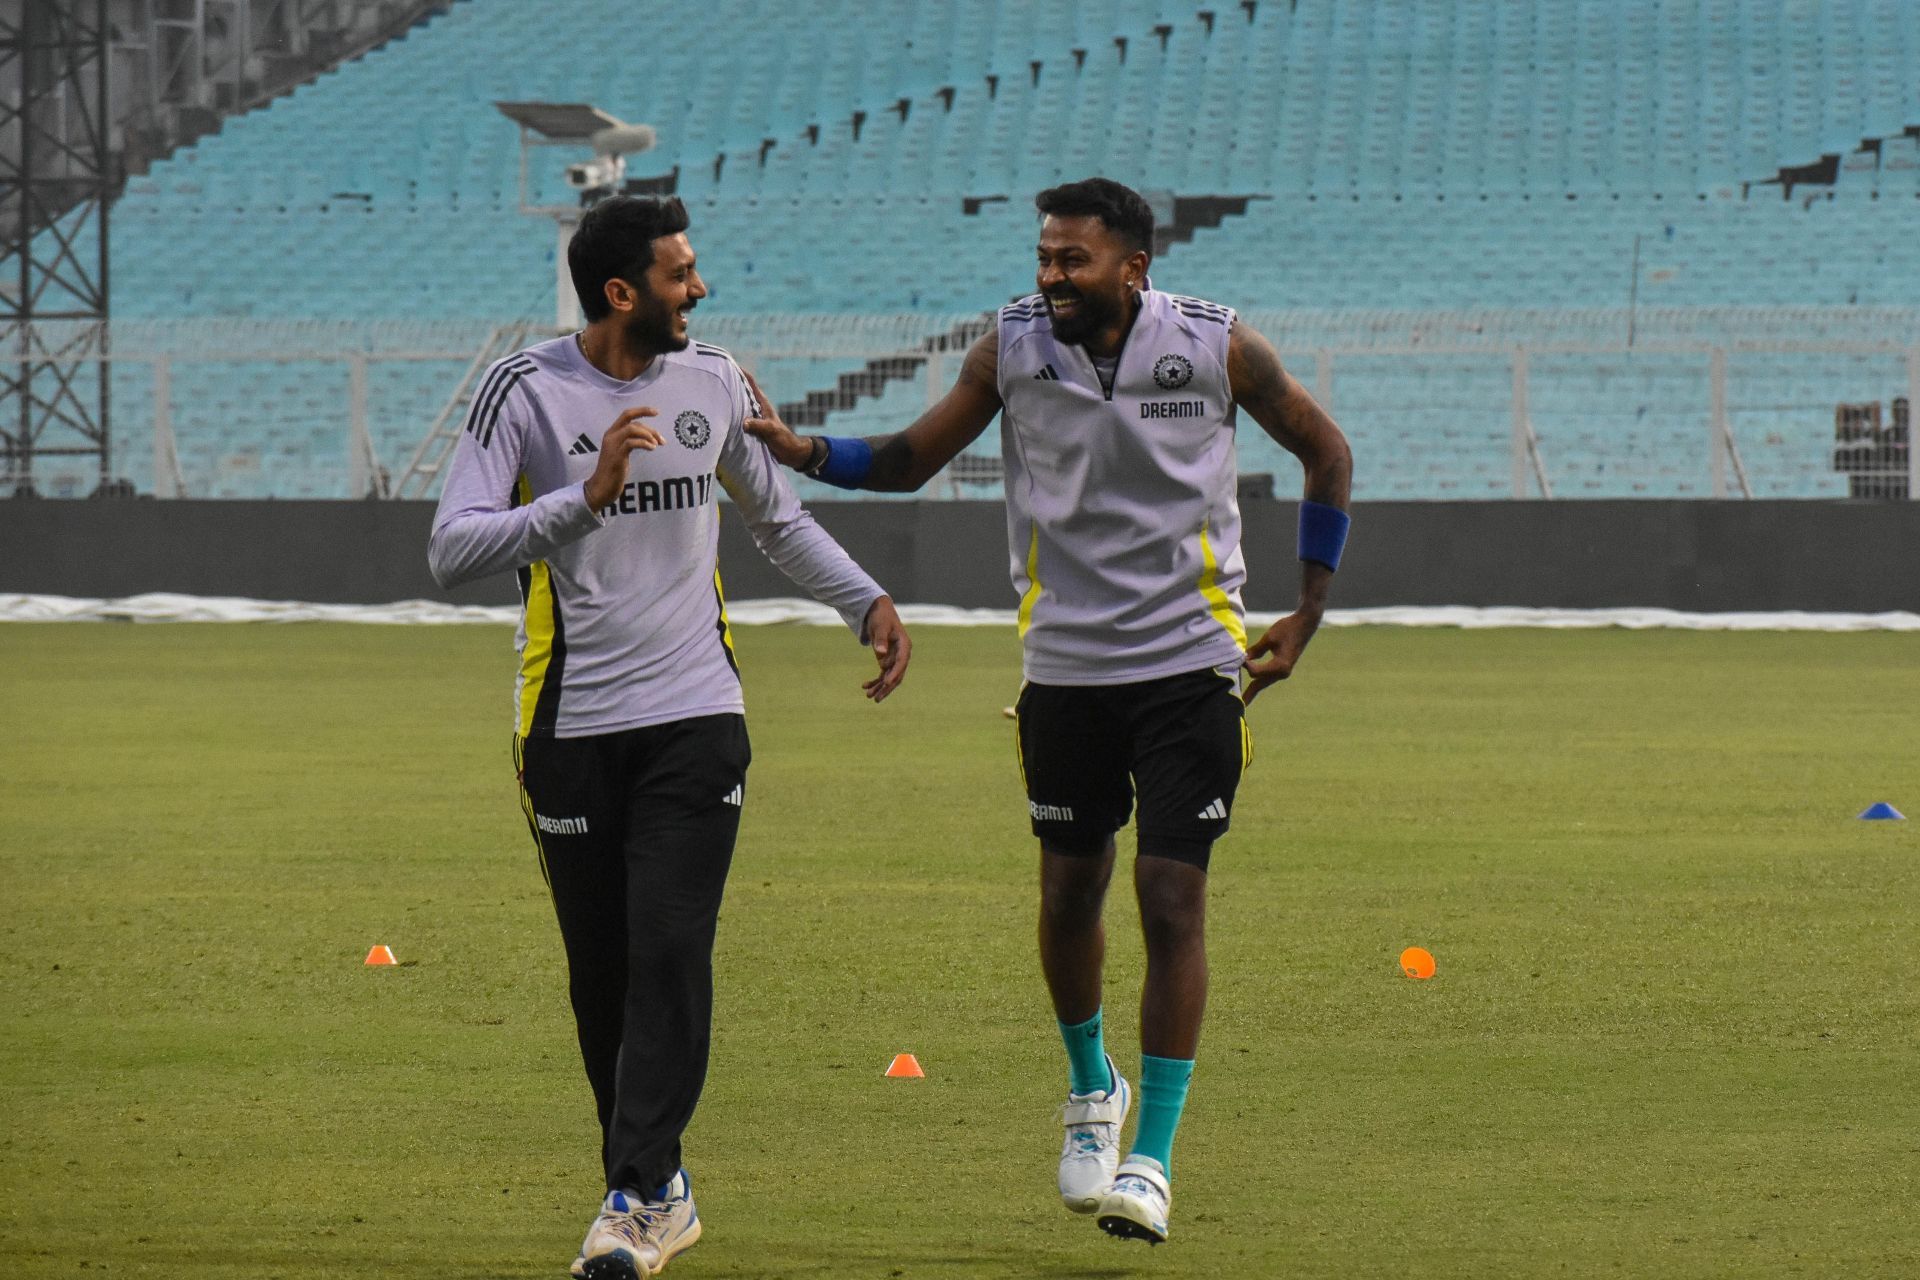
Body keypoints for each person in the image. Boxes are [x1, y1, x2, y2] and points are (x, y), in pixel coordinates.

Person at [742, 177, 1352, 1247]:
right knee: (1071, 892)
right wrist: (806, 452)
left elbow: (1327, 451)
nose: (1050, 276)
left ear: (1134, 268)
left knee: (1171, 896)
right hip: (1065, 662)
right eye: (1044, 256)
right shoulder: (1011, 347)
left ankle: (1152, 1157)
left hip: (1190, 661)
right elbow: (909, 460)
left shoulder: (1215, 346)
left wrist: (1305, 610)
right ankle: (1090, 1086)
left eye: (1073, 259)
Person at [428, 195, 910, 1280]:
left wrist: (864, 600)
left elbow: (775, 518)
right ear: (620, 293)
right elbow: (449, 547)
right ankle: (657, 1184)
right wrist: (580, 499)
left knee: (668, 947)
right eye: (682, 273)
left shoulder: (715, 379)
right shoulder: (527, 390)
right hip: (570, 725)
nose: (700, 288)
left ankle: (635, 1194)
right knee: (602, 971)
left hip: (697, 716)